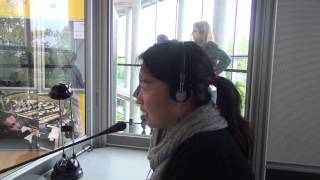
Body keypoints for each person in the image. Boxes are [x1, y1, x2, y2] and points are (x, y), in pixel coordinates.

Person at [136, 40, 253, 180]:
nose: (139, 99)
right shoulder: (189, 140)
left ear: (180, 92)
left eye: (144, 87)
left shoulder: (203, 159)